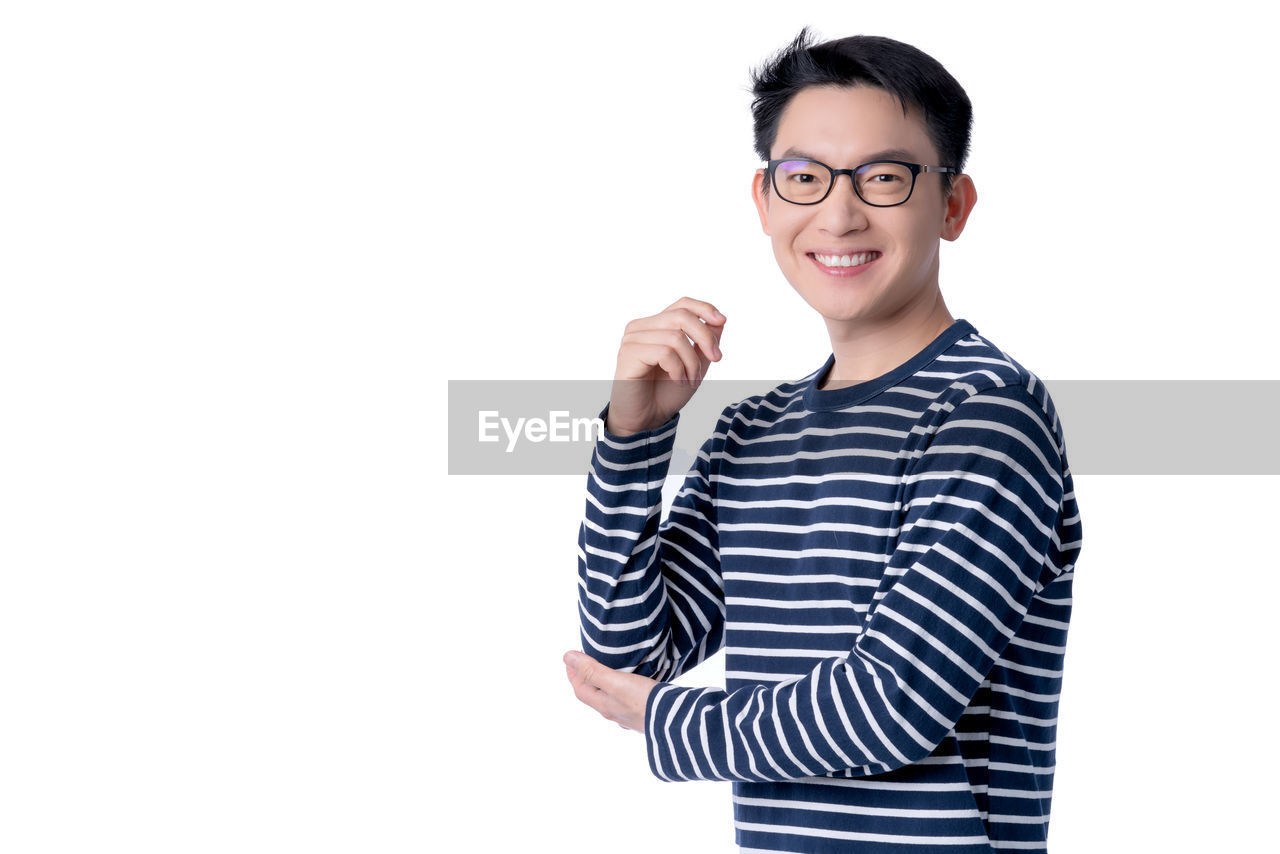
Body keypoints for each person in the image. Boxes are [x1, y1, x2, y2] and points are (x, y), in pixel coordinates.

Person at [564, 28, 1083, 852]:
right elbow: (633, 649)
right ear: (766, 201)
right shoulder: (751, 433)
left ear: (952, 205)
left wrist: (666, 723)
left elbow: (891, 708)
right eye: (803, 178)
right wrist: (634, 439)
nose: (838, 214)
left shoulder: (987, 416)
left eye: (883, 177)